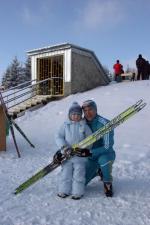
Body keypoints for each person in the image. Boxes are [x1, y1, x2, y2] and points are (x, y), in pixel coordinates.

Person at [54, 102, 92, 200]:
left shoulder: (84, 125)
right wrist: (63, 147)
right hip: (67, 155)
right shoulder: (65, 125)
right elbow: (58, 136)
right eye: (73, 114)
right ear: (70, 115)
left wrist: (85, 148)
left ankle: (78, 192)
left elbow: (90, 138)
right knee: (66, 173)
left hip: (79, 156)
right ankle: (64, 191)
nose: (76, 116)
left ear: (81, 115)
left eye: (78, 114)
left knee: (79, 174)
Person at [82, 100, 116, 197]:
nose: (88, 113)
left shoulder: (104, 123)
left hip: (105, 154)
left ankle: (107, 182)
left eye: (91, 109)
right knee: (80, 183)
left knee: (104, 160)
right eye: (85, 111)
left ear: (96, 110)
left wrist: (89, 152)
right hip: (90, 158)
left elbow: (107, 147)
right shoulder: (81, 123)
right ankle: (97, 171)